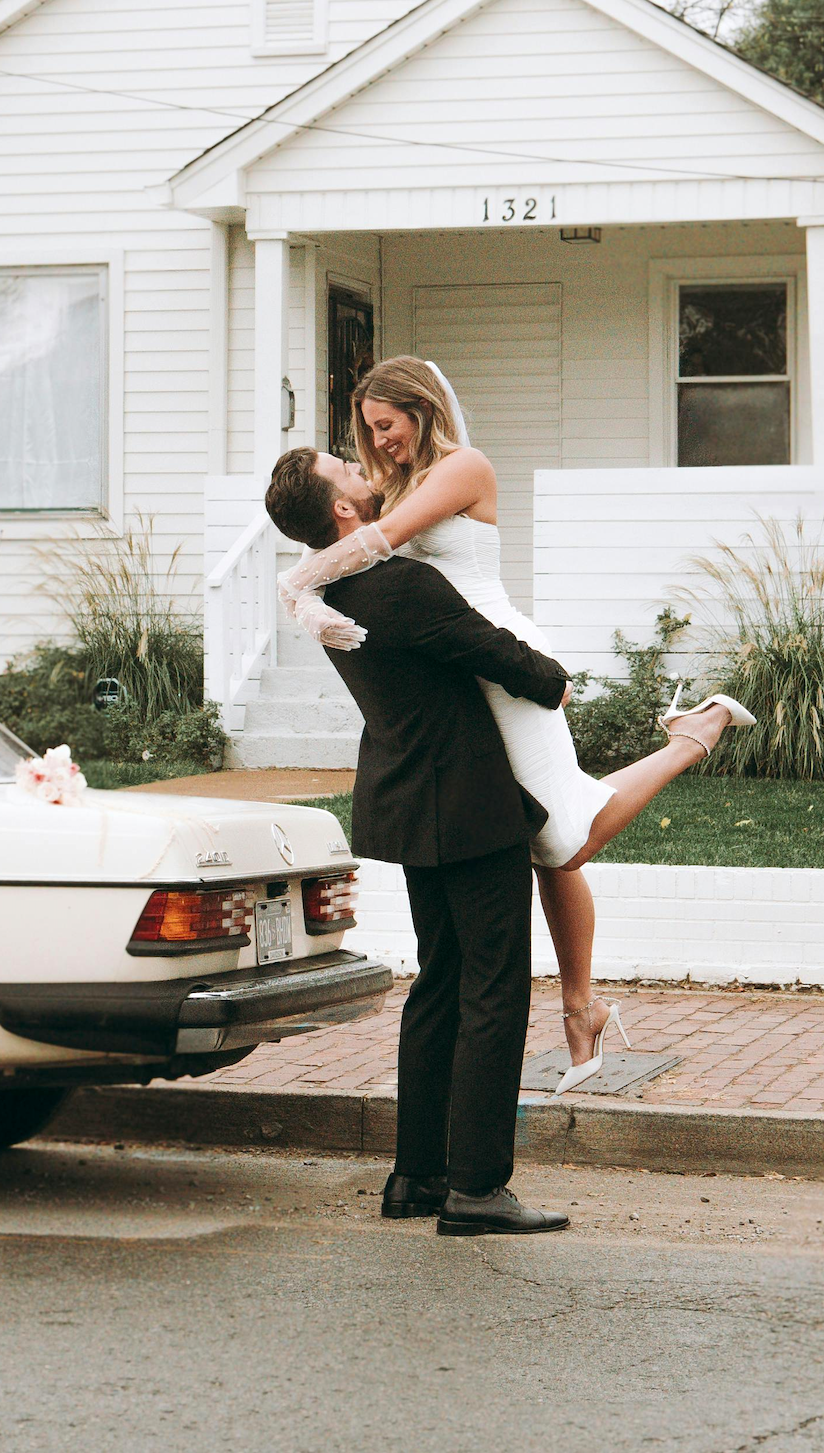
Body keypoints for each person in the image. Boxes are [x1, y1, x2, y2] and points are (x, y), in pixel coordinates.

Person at [279, 357, 751, 1095]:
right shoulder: (391, 486)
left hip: (503, 661)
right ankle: (581, 1010)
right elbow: (350, 545)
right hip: (458, 668)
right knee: (533, 838)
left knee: (564, 840)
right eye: (369, 431)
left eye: (387, 425)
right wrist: (311, 587)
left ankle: (691, 738)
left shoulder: (462, 468)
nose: (379, 441)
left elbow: (378, 541)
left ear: (422, 409)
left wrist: (294, 587)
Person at [263, 443, 575, 1235]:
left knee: (440, 984)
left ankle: (417, 1176)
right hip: (468, 803)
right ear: (342, 510)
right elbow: (490, 650)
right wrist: (554, 680)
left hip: (411, 801)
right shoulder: (399, 585)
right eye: (346, 469)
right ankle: (478, 1189)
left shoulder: (337, 593)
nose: (361, 467)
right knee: (494, 990)